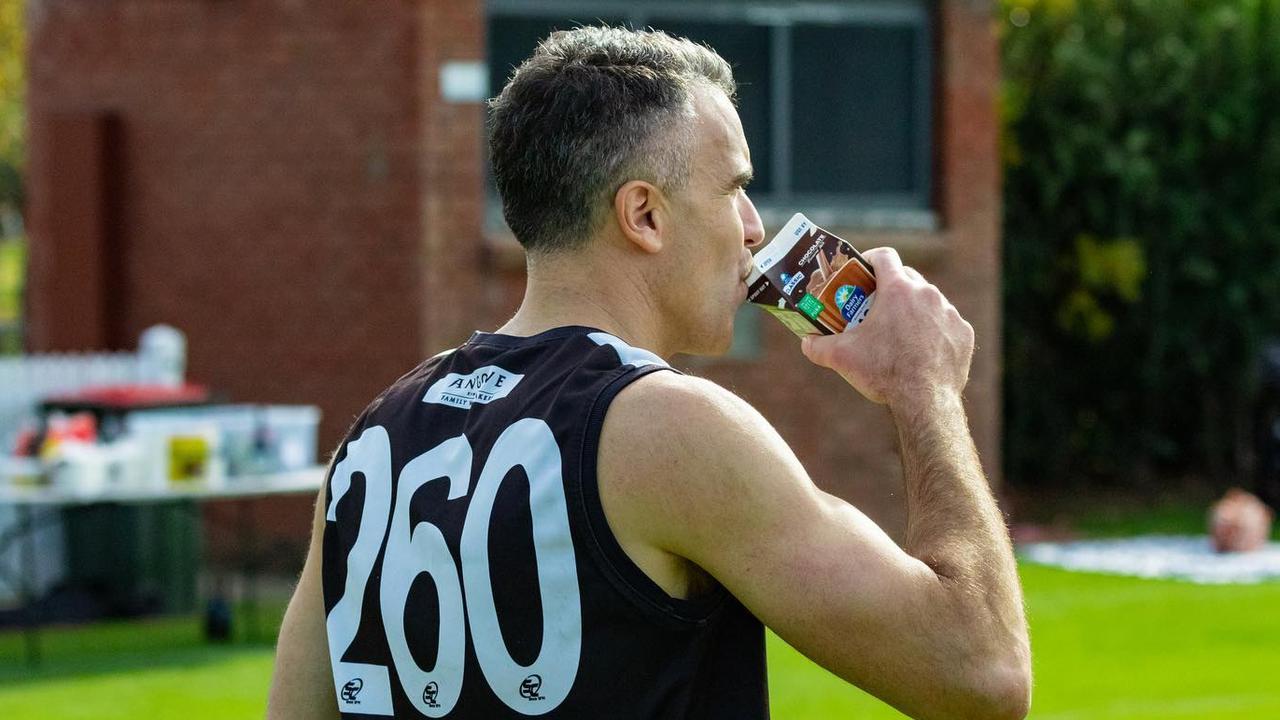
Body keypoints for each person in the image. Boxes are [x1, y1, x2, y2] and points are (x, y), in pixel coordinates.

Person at [267, 26, 1031, 719]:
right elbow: (982, 675)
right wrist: (924, 390)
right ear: (646, 216)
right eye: (734, 187)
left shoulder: (372, 439)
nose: (755, 227)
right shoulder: (672, 428)